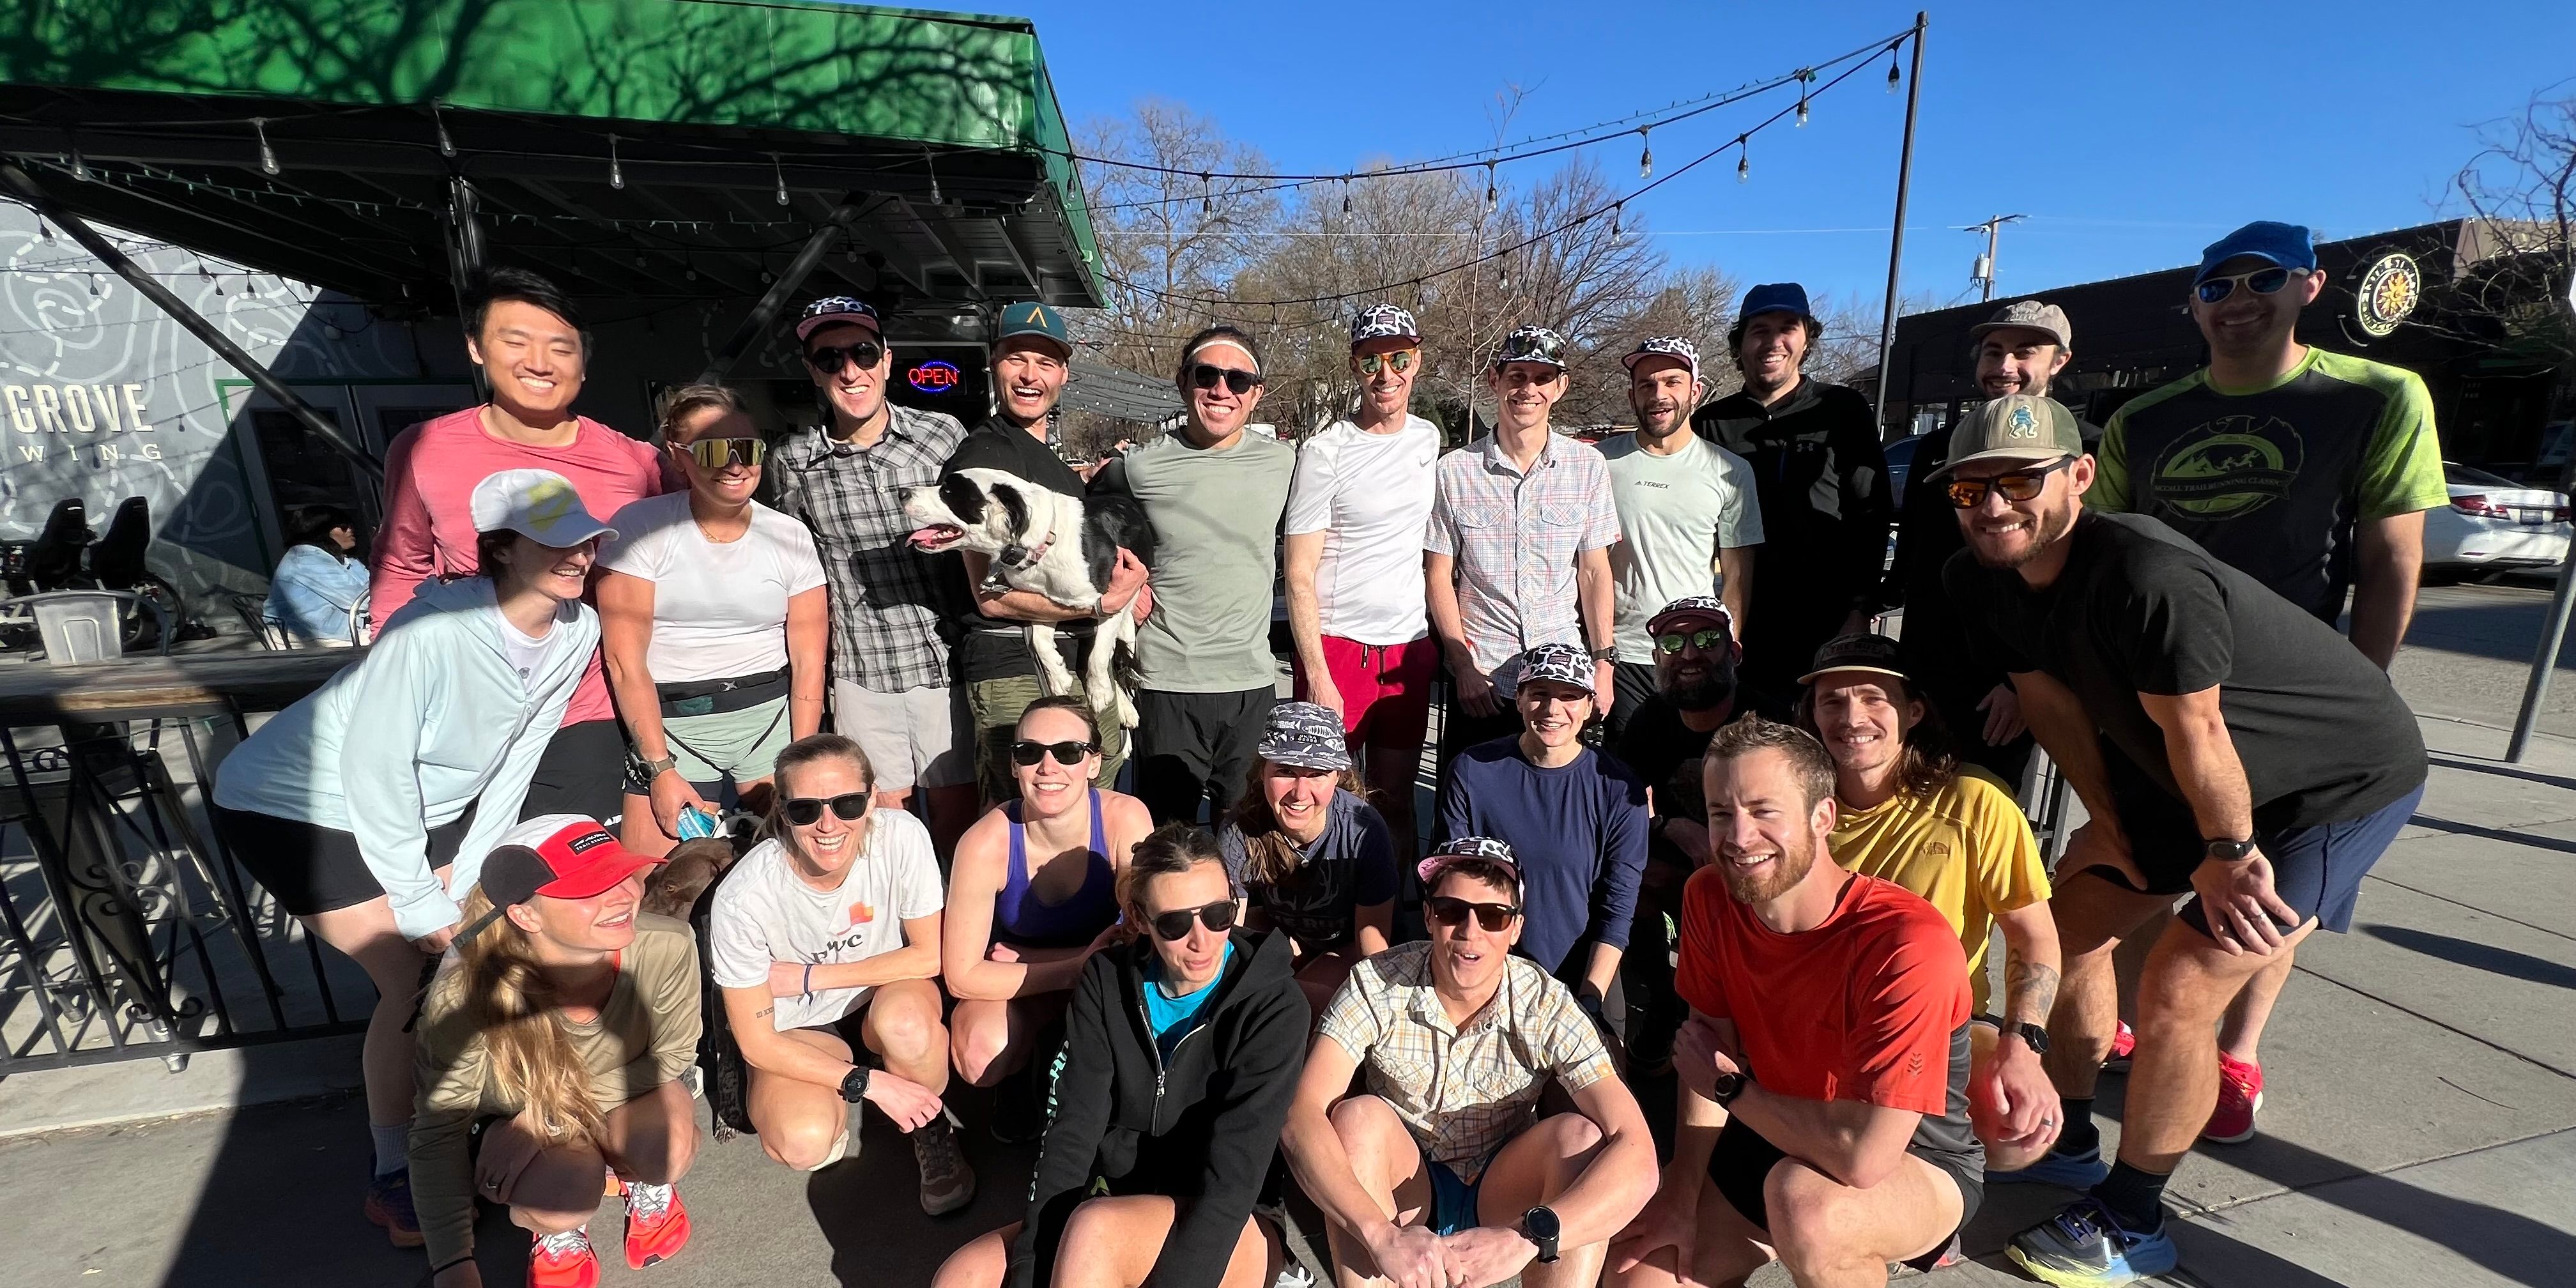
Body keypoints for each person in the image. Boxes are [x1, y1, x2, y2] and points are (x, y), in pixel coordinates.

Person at [1931, 395, 2428, 1285]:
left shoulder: (2146, 575)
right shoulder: (1977, 578)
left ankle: (2134, 1218)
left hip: (2332, 783)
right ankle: (2070, 1135)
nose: (1993, 505)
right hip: (2184, 773)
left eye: (2018, 480)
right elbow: (2048, 703)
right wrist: (2112, 829)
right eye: (1970, 489)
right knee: (2055, 931)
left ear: (2080, 476)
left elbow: (2201, 732)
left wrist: (2229, 855)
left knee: (2181, 984)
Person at [2090, 220, 2448, 1143]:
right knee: (2134, 864)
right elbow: (2099, 552)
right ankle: (2158, 1034)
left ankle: (2237, 1054)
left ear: (2309, 286)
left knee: (2267, 892)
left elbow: (2392, 557)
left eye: (2263, 279)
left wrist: (2361, 693)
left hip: (2290, 700)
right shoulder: (2147, 419)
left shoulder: (2374, 396)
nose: (2238, 298)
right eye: (2217, 286)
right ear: (2193, 304)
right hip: (2164, 690)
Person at [211, 469, 613, 1248]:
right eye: (554, 538)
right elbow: (374, 768)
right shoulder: (431, 633)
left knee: (478, 947)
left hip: (408, 808)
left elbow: (518, 754)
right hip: (292, 804)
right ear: (499, 548)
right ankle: (394, 1170)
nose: (577, 552)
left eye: (585, 535)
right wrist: (423, 903)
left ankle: (471, 1122)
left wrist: (472, 877)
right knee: (414, 974)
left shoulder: (579, 630)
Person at [1607, 718, 1982, 1288]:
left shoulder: (1907, 942)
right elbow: (1705, 1058)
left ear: (1823, 817)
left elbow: (1862, 1160)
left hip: (1912, 1158)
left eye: (1764, 811)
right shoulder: (1709, 895)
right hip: (1774, 1122)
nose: (1738, 836)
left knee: (1808, 1209)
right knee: (1639, 1271)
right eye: (1721, 814)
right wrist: (1681, 1198)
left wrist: (1732, 1088)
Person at [933, 824, 1310, 1288]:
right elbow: (1070, 1136)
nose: (1202, 940)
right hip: (1115, 1199)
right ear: (1140, 919)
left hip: (1230, 1219)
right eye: (1174, 923)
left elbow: (1234, 1177)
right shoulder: (1106, 982)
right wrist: (1030, 1271)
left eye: (1218, 914)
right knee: (962, 1278)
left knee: (1095, 1233)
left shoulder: (1273, 1004)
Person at [1281, 837, 1659, 1288]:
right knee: (1356, 1118)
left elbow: (1638, 1151)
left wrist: (1527, 1237)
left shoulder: (1546, 1005)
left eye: (1493, 917)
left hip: (1502, 1189)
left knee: (1581, 1139)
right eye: (1451, 911)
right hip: (1403, 1182)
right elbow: (1301, 1113)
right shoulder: (1376, 984)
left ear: (1515, 929)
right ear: (1428, 916)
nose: (1470, 931)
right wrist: (1377, 1233)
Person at [372, 268, 670, 823]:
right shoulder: (425, 449)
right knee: (458, 881)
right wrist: (385, 684)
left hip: (582, 713)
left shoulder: (636, 464)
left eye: (561, 348)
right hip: (458, 711)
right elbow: (400, 567)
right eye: (515, 342)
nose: (539, 363)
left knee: (565, 882)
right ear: (476, 348)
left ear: (584, 361)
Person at [1798, 632, 2064, 1173]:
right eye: (1833, 701)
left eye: (1874, 697)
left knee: (2020, 1128)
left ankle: (1926, 1178)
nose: (1852, 716)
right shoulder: (1797, 811)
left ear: (1913, 711)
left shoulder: (1975, 800)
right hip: (1823, 1021)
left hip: (1942, 1028)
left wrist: (2023, 1047)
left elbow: (2034, 935)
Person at [411, 815, 700, 1288]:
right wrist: (452, 1265)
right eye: (590, 888)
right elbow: (438, 1130)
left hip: (622, 1099)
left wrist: (542, 1117)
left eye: (623, 874)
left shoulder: (667, 945)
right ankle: (563, 1227)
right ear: (526, 915)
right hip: (531, 1121)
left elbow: (672, 1059)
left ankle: (643, 1178)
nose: (625, 895)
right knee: (557, 1197)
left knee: (664, 1149)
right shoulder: (466, 996)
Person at [708, 733, 974, 1214]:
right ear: (781, 811)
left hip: (882, 996)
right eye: (806, 809)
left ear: (872, 799)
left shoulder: (901, 835)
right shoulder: (743, 897)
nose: (828, 824)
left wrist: (810, 977)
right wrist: (866, 1084)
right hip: (802, 1025)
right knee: (803, 1142)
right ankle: (860, 1084)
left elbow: (929, 957)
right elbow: (758, 1042)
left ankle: (929, 1126)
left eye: (848, 803)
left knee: (907, 1027)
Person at [771, 296, 976, 847]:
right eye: (830, 358)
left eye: (862, 353)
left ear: (887, 359)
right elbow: (799, 568)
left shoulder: (942, 436)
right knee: (889, 827)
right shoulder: (793, 460)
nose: (850, 370)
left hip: (946, 657)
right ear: (814, 372)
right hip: (863, 667)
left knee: (961, 816)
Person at [598, 385, 828, 856]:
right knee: (655, 883)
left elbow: (809, 662)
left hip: (769, 720)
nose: (735, 464)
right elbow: (625, 662)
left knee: (781, 867)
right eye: (714, 450)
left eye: (747, 448)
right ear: (678, 456)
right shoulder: (642, 527)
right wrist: (659, 769)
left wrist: (798, 764)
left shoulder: (790, 535)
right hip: (674, 727)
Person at [944, 302, 1153, 806]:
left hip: (1072, 664)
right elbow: (992, 596)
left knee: (1085, 810)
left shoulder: (1048, 461)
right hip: (1015, 667)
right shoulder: (985, 463)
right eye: (1017, 359)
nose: (1030, 376)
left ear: (1063, 374)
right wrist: (1102, 606)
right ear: (994, 364)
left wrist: (1129, 591)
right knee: (1023, 819)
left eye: (1045, 363)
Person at [1882, 300, 2096, 786]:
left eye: (2025, 353)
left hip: (2005, 686)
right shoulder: (1940, 449)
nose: (2005, 367)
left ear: (2060, 361)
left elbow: (2081, 584)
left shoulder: (2079, 452)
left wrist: (2026, 683)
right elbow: (1916, 557)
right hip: (1926, 667)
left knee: (1981, 815)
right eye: (1993, 352)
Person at [1091, 325, 1295, 825]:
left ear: (1256, 395)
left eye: (1238, 380)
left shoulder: (1287, 463)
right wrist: (1120, 588)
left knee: (1245, 837)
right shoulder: (1136, 468)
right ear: (1184, 382)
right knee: (1168, 837)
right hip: (1167, 683)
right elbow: (1084, 526)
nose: (1222, 389)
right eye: (1208, 375)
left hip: (1251, 682)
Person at [943, 697, 1156, 1131]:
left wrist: (1045, 962)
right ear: (1014, 765)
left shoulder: (1125, 819)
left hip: (1095, 977)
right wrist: (1073, 967)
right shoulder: (986, 843)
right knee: (978, 1052)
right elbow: (961, 976)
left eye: (1068, 752)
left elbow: (1147, 934)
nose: (1048, 766)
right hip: (1029, 989)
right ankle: (1021, 1068)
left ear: (1093, 763)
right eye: (1030, 752)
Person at [1285, 304, 1445, 861]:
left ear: (1417, 361)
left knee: (1396, 800)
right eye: (1371, 360)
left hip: (1405, 648)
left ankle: (1396, 923)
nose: (1387, 374)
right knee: (1326, 801)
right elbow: (1299, 572)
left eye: (1399, 358)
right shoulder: (1325, 451)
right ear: (1355, 367)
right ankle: (1322, 923)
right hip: (1337, 646)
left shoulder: (1429, 440)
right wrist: (1318, 673)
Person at [1692, 284, 1892, 708]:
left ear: (1807, 339)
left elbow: (1870, 516)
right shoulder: (1711, 422)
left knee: (1820, 745)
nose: (1773, 341)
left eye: (1788, 328)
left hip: (1826, 620)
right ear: (1740, 343)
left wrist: (1860, 608)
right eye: (1759, 330)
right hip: (1741, 622)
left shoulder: (1841, 409)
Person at [1426, 325, 1622, 756]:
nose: (1528, 389)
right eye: (1517, 376)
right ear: (1495, 380)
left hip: (1561, 681)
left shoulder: (1587, 467)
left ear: (1560, 386)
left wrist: (1603, 665)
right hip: (1484, 681)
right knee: (1473, 809)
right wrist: (1462, 666)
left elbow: (1594, 572)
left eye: (1542, 378)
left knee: (1558, 811)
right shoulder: (1454, 471)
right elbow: (1439, 574)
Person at [1438, 641, 1648, 1016]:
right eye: (1539, 694)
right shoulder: (1472, 769)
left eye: (1570, 696)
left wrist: (1589, 1000)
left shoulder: (1618, 787)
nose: (1553, 710)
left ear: (1589, 707)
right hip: (1486, 963)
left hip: (1582, 968)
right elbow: (1454, 884)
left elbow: (1618, 906)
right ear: (1518, 698)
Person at [1597, 337, 1761, 739]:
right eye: (1646, 384)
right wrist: (1600, 654)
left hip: (1697, 654)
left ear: (1695, 391)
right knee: (1628, 786)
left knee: (1698, 784)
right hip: (1623, 657)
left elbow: (1738, 578)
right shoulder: (1597, 463)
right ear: (1632, 394)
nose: (1659, 395)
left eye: (1672, 382)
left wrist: (1728, 651)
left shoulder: (1730, 472)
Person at [1610, 595, 1746, 1070]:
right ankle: (1664, 1001)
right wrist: (1670, 824)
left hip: (1751, 874)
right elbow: (1619, 805)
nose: (1688, 654)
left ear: (1735, 653)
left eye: (1707, 639)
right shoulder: (1649, 720)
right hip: (1678, 869)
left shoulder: (1764, 721)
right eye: (1673, 642)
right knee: (1623, 878)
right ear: (1657, 658)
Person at [1217, 700, 1400, 1015]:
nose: (1300, 794)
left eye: (1317, 774)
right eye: (1286, 771)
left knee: (1300, 1002)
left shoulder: (1363, 830)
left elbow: (1370, 942)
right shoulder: (1240, 829)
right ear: (1262, 772)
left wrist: (1382, 1005)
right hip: (1278, 936)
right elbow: (1228, 935)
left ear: (1337, 777)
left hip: (1345, 945)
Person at [265, 504, 371, 645]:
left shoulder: (344, 559)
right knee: (393, 643)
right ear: (322, 531)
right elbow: (359, 599)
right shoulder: (306, 559)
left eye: (351, 525)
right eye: (343, 526)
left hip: (342, 628)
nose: (351, 530)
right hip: (309, 634)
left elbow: (374, 587)